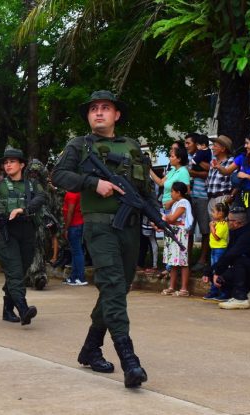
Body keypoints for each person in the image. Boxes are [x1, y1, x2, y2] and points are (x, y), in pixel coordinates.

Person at [52, 90, 152, 388]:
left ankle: (91, 347)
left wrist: (154, 213)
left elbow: (144, 186)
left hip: (130, 227)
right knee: (111, 284)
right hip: (99, 226)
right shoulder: (79, 145)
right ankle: (129, 360)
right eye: (93, 109)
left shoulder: (132, 146)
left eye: (105, 108)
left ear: (116, 115)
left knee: (117, 290)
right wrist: (93, 183)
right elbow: (58, 175)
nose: (98, 113)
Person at [0, 147, 45, 327]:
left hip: (27, 232)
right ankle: (23, 309)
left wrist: (24, 210)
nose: (8, 165)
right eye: (6, 162)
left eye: (12, 161)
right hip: (7, 234)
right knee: (14, 272)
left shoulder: (32, 184)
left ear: (22, 164)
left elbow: (41, 198)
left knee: (19, 272)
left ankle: (8, 309)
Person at [206, 208, 250, 310]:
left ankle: (240, 298)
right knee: (219, 277)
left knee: (238, 260)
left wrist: (217, 271)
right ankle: (246, 291)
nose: (226, 221)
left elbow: (232, 255)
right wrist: (210, 271)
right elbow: (227, 253)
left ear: (237, 223)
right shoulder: (235, 232)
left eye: (228, 220)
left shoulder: (249, 235)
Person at [212, 133, 250, 230]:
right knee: (235, 223)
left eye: (247, 143)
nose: (245, 146)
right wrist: (219, 167)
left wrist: (247, 176)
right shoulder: (242, 157)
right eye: (245, 143)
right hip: (241, 194)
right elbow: (227, 171)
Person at [25, 159, 54, 290]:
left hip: (42, 222)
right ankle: (34, 275)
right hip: (26, 222)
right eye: (32, 172)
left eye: (36, 173)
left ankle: (38, 275)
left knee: (40, 249)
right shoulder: (23, 185)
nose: (34, 175)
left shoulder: (46, 188)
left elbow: (53, 206)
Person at [160, 182, 193, 297]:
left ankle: (184, 288)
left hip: (180, 233)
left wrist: (163, 217)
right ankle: (172, 287)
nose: (171, 194)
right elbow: (168, 211)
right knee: (173, 261)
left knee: (183, 261)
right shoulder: (177, 203)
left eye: (172, 192)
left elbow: (172, 218)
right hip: (174, 231)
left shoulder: (183, 202)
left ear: (178, 192)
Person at [185, 133, 212, 271]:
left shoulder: (205, 155)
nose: (186, 146)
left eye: (189, 143)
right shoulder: (187, 157)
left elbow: (209, 170)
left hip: (202, 197)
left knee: (205, 229)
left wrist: (193, 172)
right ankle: (186, 260)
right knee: (188, 229)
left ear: (197, 144)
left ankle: (203, 259)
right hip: (189, 198)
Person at [203, 203, 230, 301]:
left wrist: (211, 227)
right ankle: (214, 291)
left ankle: (224, 292)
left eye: (214, 211)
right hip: (214, 249)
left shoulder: (223, 224)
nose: (213, 214)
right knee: (214, 271)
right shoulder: (217, 223)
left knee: (219, 271)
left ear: (221, 213)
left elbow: (216, 237)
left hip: (220, 250)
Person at [62, 190, 87, 285]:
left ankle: (80, 277)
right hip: (79, 224)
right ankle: (74, 277)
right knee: (76, 251)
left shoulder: (71, 194)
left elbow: (70, 211)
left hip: (74, 225)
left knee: (77, 251)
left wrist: (66, 228)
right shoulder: (79, 192)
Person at [206, 135, 235, 214]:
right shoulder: (213, 162)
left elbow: (237, 182)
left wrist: (231, 196)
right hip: (211, 198)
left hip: (223, 198)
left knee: (224, 224)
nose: (212, 148)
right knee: (213, 225)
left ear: (223, 149)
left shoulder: (232, 162)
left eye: (215, 146)